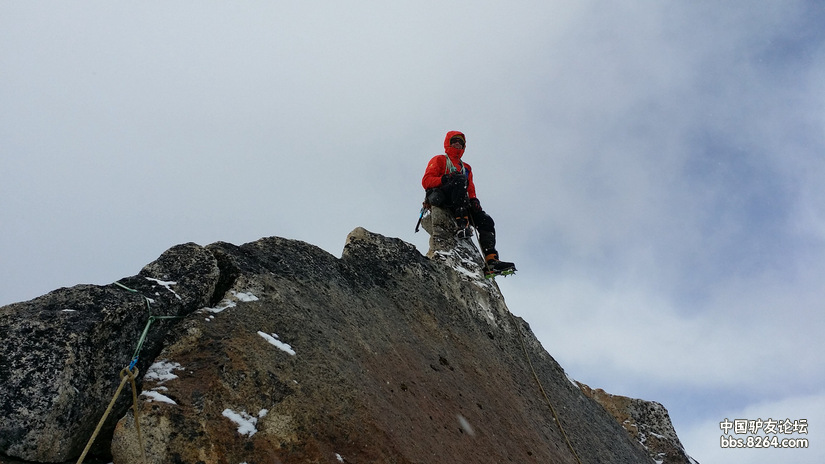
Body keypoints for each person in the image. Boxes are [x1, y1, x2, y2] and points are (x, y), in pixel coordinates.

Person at [421, 130, 516, 275]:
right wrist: (445, 179)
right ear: (448, 143)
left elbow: (470, 188)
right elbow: (426, 181)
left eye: (461, 142)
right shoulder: (439, 160)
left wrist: (474, 201)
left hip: (460, 199)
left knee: (485, 220)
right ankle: (461, 224)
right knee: (459, 180)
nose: (458, 144)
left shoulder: (466, 167)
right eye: (454, 141)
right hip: (442, 196)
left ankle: (491, 260)